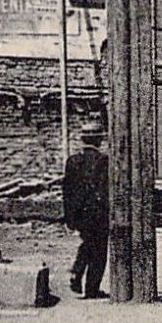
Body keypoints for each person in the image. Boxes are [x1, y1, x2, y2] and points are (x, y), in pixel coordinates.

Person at [62, 121, 110, 299]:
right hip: (99, 213)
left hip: (80, 214)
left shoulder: (72, 161)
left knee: (88, 242)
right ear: (99, 140)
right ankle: (91, 288)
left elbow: (67, 191)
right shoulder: (104, 161)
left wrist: (69, 218)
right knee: (99, 252)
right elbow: (106, 189)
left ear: (82, 139)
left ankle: (77, 270)